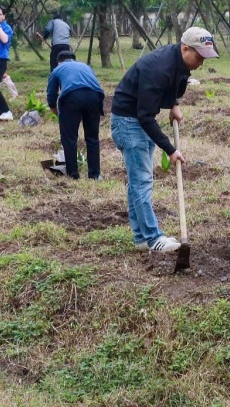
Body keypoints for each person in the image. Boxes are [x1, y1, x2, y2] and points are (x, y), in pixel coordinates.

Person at [110, 28, 216, 252]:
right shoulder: (159, 68)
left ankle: (140, 237)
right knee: (142, 182)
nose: (201, 63)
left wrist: (174, 104)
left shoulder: (181, 63)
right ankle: (153, 238)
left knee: (137, 182)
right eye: (199, 57)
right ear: (185, 48)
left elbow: (175, 85)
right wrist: (170, 149)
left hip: (138, 117)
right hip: (129, 122)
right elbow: (145, 116)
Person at [47, 49, 105, 179]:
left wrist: (60, 116)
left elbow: (51, 98)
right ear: (74, 59)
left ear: (58, 62)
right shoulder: (85, 66)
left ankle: (73, 174)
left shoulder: (57, 70)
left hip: (71, 97)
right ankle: (95, 174)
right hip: (95, 97)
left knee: (69, 138)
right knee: (92, 137)